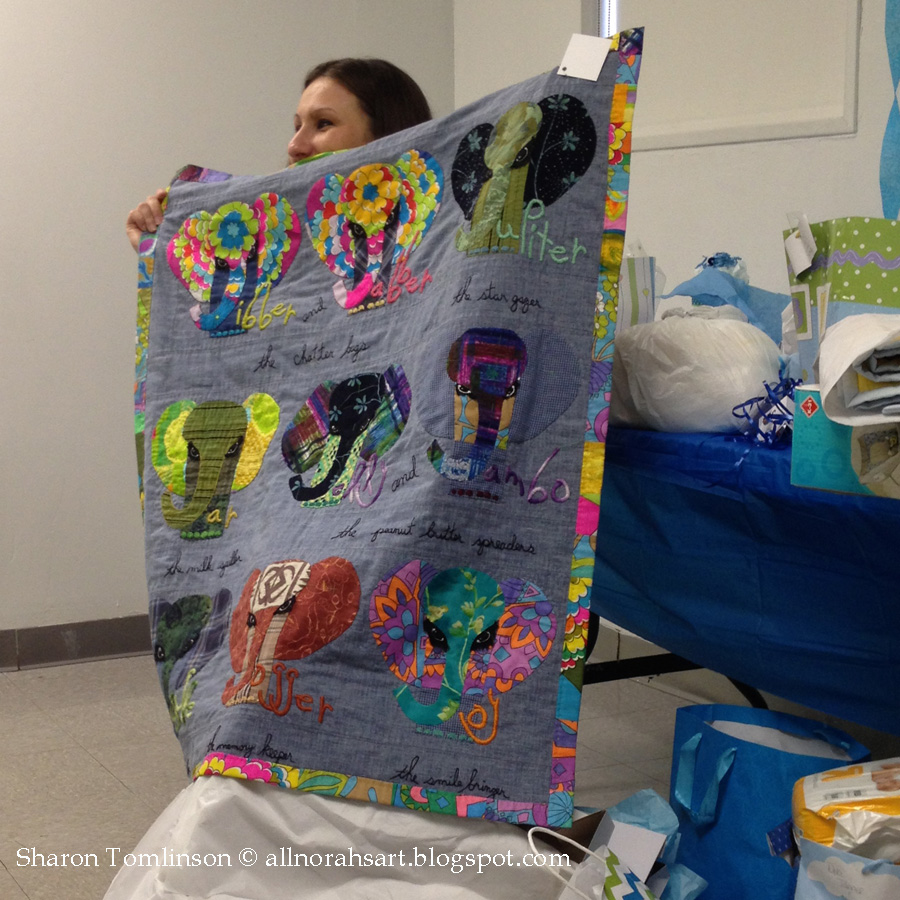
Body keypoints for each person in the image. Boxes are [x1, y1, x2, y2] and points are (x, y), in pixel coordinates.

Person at [124, 57, 432, 251]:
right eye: (297, 126)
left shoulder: (435, 246)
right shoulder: (270, 245)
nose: (294, 146)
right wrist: (156, 245)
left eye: (323, 123)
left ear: (386, 139)